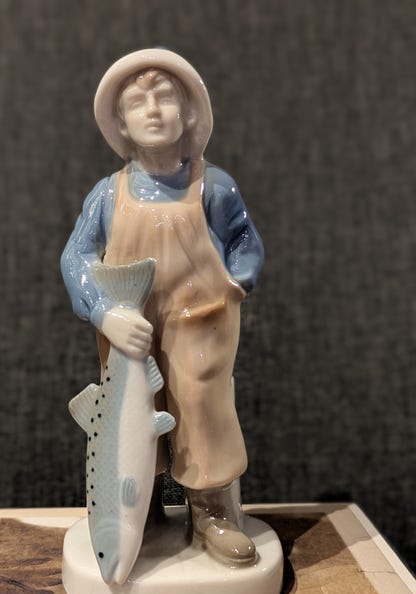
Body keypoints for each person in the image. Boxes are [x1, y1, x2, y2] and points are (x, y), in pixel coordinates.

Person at [61, 49, 264, 566]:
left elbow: (243, 241)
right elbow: (77, 256)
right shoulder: (108, 194)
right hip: (129, 324)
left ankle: (212, 513)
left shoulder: (214, 187)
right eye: (137, 102)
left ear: (189, 112)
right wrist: (103, 311)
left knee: (202, 407)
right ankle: (139, 509)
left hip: (201, 319)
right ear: (121, 122)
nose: (152, 110)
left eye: (164, 98)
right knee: (130, 413)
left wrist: (235, 283)